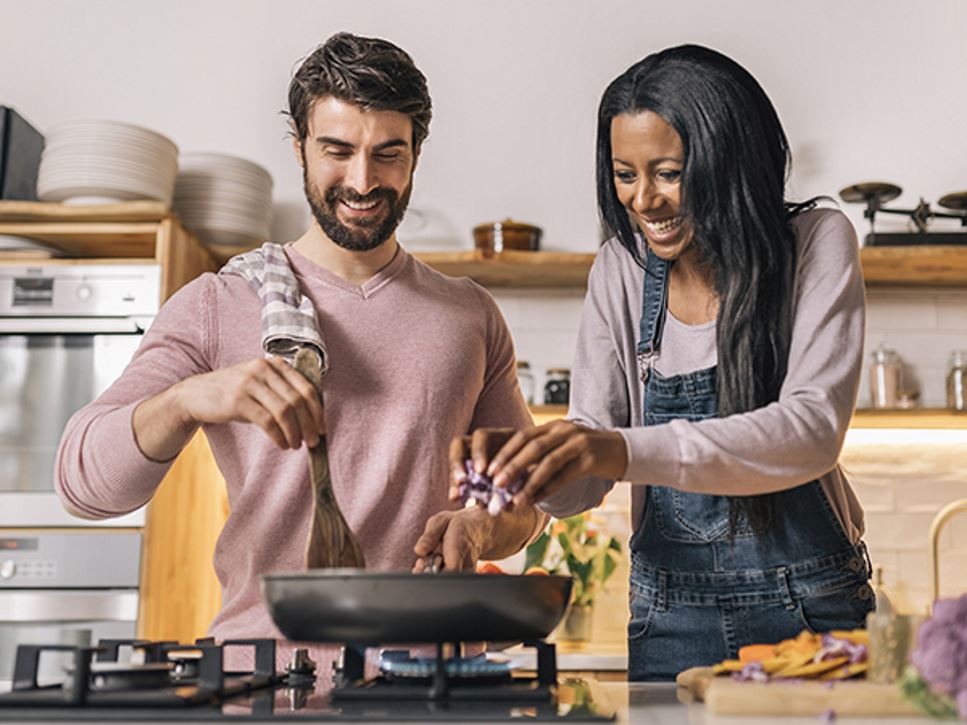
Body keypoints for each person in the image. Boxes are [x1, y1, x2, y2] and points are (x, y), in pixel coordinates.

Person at [56, 32, 544, 666]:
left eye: (388, 154)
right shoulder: (220, 303)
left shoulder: (469, 314)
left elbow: (529, 500)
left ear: (416, 154)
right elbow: (83, 484)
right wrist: (185, 401)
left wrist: (483, 524)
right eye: (337, 150)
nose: (362, 180)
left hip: (430, 682)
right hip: (260, 677)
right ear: (300, 148)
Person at [453, 44, 873, 681]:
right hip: (671, 617)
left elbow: (811, 431)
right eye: (625, 174)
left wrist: (612, 449)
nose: (644, 200)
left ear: (729, 161)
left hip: (815, 609)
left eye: (669, 172)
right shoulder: (620, 271)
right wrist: (530, 470)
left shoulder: (815, 242)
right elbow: (585, 479)